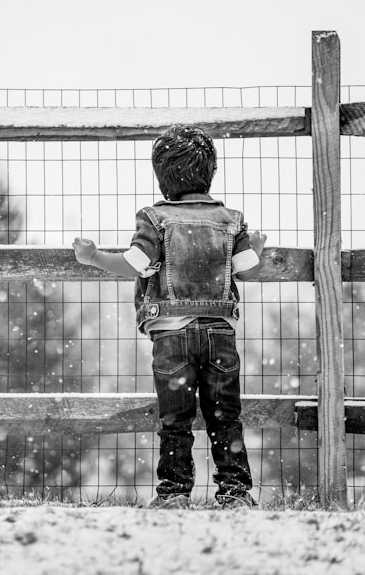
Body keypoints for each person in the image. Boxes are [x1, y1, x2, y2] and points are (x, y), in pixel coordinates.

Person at [72, 124, 266, 509]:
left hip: (171, 337)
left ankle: (174, 492)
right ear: (210, 173)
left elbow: (135, 263)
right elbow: (246, 269)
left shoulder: (154, 218)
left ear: (163, 179)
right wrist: (256, 247)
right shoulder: (231, 220)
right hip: (220, 335)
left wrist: (93, 257)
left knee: (175, 419)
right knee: (224, 416)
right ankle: (236, 492)